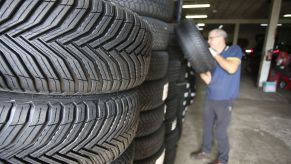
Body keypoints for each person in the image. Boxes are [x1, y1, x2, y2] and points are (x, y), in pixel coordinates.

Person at [191, 28, 243, 164]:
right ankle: (205, 151)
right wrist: (197, 66)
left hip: (225, 99)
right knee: (207, 127)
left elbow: (231, 68)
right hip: (210, 97)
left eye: (210, 38)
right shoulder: (210, 57)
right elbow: (209, 79)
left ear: (221, 38)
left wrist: (215, 55)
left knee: (220, 131)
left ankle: (223, 160)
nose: (208, 41)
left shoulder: (234, 50)